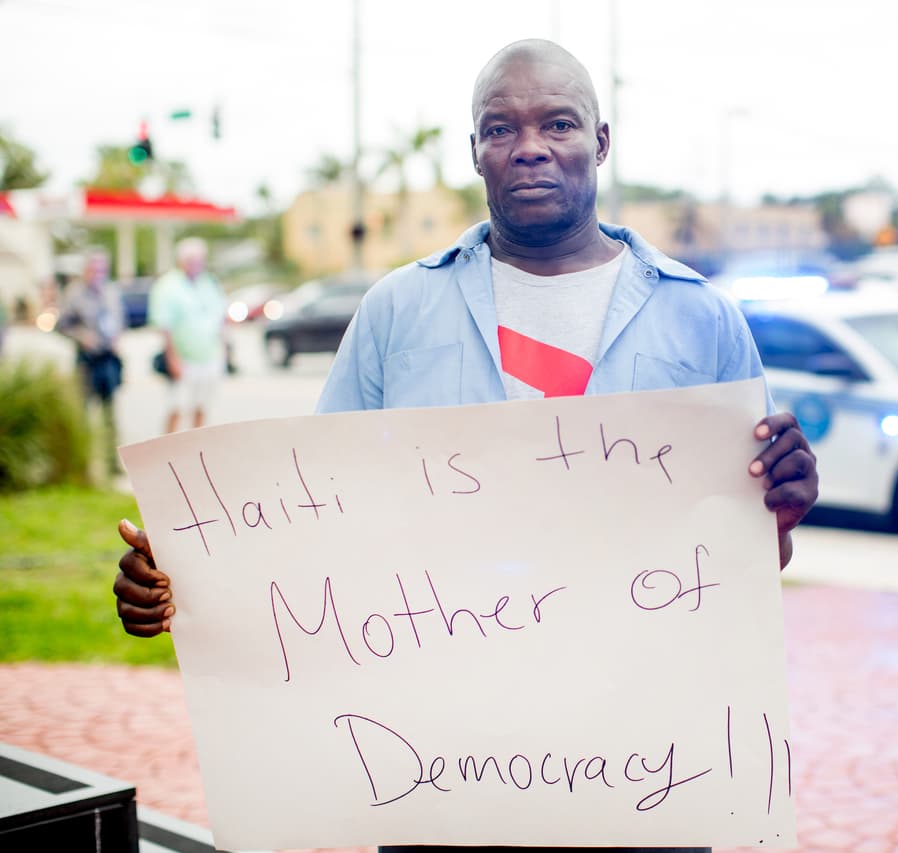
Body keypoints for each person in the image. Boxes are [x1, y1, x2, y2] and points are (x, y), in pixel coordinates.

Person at [113, 39, 819, 853]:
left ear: (601, 141)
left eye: (558, 122)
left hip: (645, 770)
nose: (529, 146)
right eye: (500, 127)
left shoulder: (703, 319)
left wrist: (781, 509)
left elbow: (750, 561)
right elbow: (307, 528)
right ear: (474, 150)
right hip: (445, 772)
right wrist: (181, 583)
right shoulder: (396, 313)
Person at [147, 236, 226, 432]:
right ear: (181, 261)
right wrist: (172, 357)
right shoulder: (168, 285)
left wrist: (223, 349)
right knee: (177, 407)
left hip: (209, 355)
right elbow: (164, 325)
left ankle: (196, 455)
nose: (196, 264)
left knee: (201, 406)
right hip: (183, 358)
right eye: (191, 260)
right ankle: (168, 456)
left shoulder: (208, 282)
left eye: (199, 260)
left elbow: (220, 317)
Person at [56, 248, 126, 471]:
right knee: (85, 413)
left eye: (102, 269)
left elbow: (119, 319)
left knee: (111, 415)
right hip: (88, 360)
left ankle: (112, 463)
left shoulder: (111, 291)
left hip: (109, 358)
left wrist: (116, 336)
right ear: (86, 270)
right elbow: (62, 325)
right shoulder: (74, 293)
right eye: (94, 268)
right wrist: (82, 336)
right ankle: (84, 465)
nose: (98, 273)